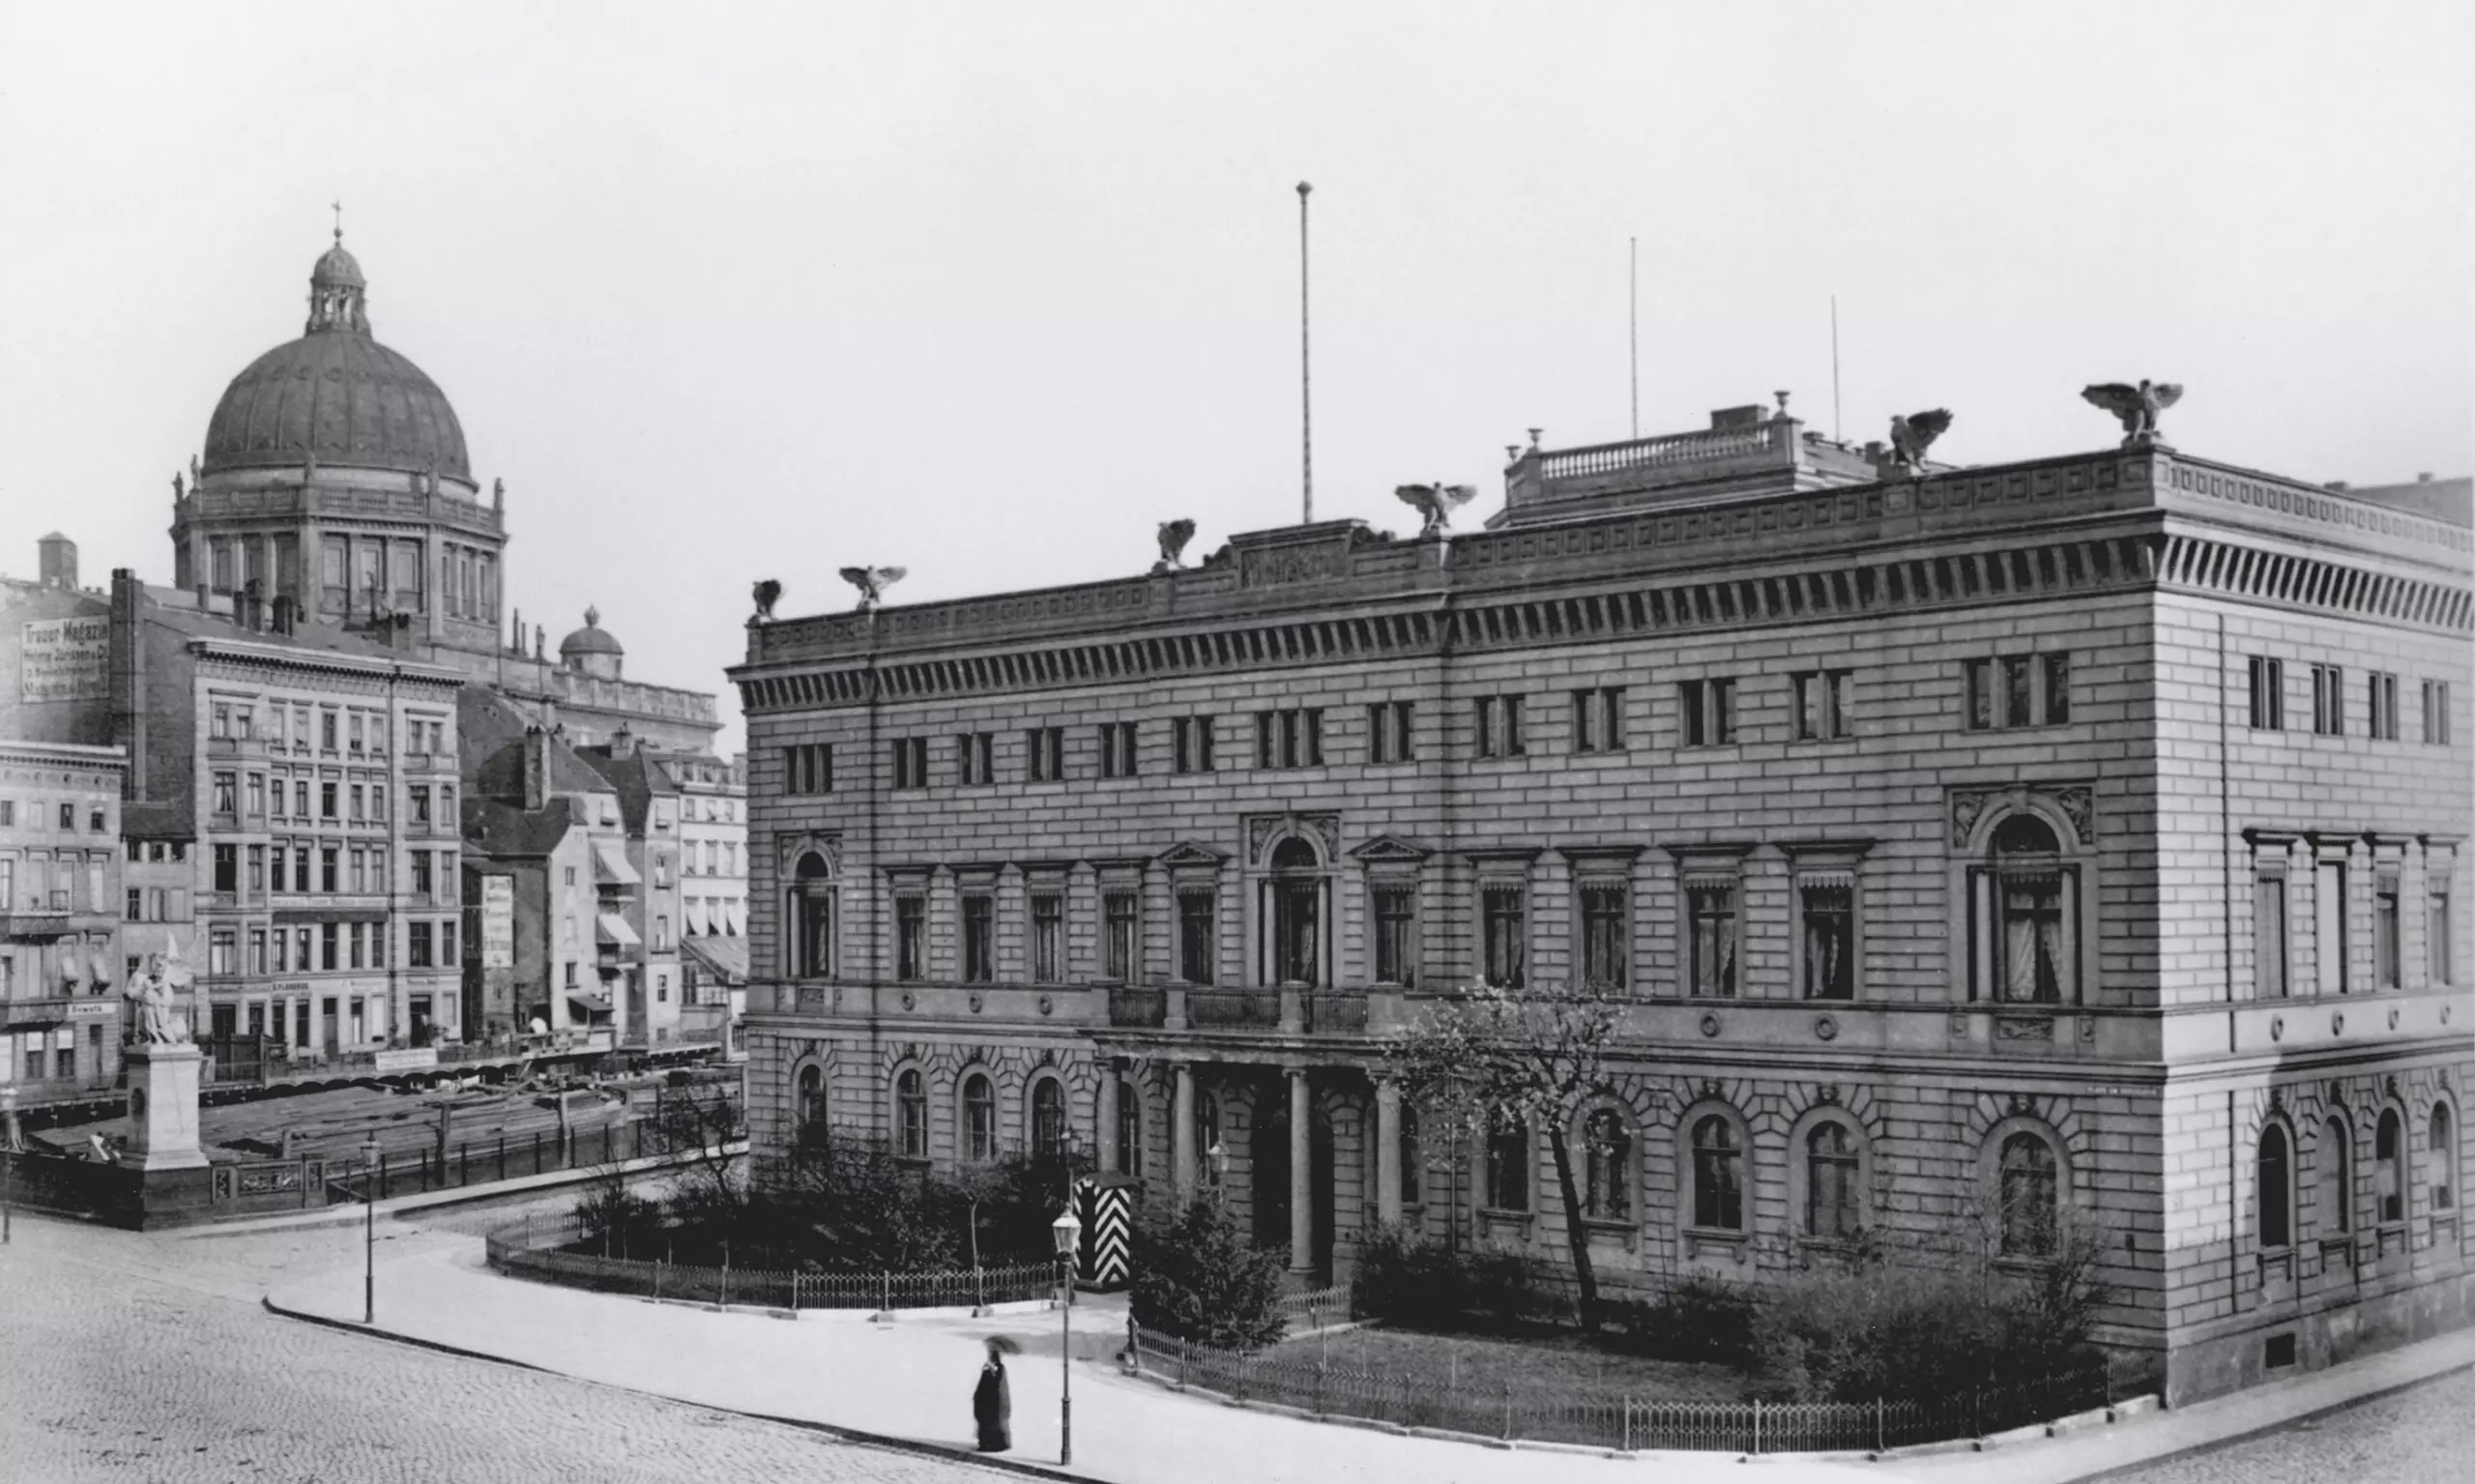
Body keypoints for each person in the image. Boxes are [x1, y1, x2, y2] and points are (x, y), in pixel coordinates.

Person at [972, 1337, 1012, 1452]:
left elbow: (998, 1387)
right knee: (988, 1423)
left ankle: (995, 1444)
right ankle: (988, 1443)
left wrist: (991, 1372)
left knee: (993, 1424)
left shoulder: (999, 1368)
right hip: (990, 1403)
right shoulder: (991, 1367)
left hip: (994, 1404)